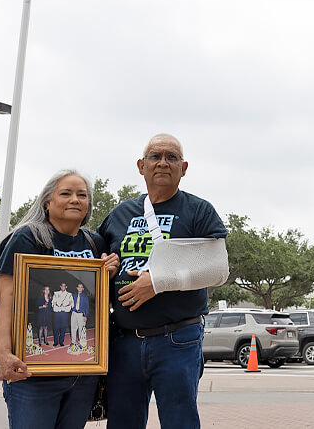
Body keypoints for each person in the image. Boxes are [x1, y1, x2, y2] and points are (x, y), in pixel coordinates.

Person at [98, 134, 229, 429]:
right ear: (141, 166)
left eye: (172, 157)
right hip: (125, 340)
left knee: (179, 422)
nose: (163, 163)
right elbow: (98, 257)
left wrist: (158, 282)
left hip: (177, 339)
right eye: (155, 156)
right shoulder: (120, 214)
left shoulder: (199, 211)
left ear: (183, 168)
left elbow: (218, 269)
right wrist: (105, 265)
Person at [0, 170, 119, 429]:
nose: (75, 200)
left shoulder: (95, 243)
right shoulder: (27, 237)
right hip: (33, 374)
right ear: (48, 202)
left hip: (82, 375)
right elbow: (7, 298)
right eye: (66, 193)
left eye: (82, 195)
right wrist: (3, 353)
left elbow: (102, 301)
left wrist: (110, 271)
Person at [51, 282, 73, 347]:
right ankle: (56, 342)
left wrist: (67, 305)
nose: (63, 287)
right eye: (62, 286)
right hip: (57, 313)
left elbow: (71, 303)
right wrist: (61, 304)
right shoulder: (56, 293)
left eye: (64, 286)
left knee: (63, 327)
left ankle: (61, 342)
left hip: (64, 313)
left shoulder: (69, 294)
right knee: (56, 327)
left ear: (66, 287)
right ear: (60, 286)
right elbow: (53, 302)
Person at [70, 283, 90, 350]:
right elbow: (70, 304)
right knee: (73, 328)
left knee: (81, 329)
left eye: (81, 287)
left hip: (81, 314)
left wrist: (85, 315)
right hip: (74, 313)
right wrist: (71, 308)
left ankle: (80, 342)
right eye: (79, 287)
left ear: (83, 289)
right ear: (77, 288)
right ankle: (73, 342)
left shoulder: (85, 297)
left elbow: (87, 307)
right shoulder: (73, 295)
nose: (80, 288)